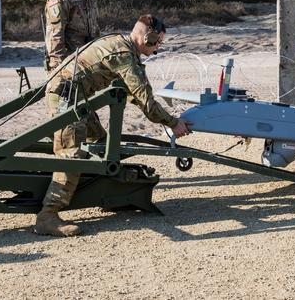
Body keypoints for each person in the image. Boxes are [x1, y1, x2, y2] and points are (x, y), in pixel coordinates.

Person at [35, 14, 192, 237]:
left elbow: (134, 95)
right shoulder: (123, 54)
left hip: (76, 97)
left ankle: (109, 196)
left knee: (101, 144)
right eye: (158, 42)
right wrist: (173, 123)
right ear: (148, 37)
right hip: (67, 97)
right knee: (71, 155)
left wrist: (167, 118)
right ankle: (47, 216)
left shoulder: (121, 46)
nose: (157, 47)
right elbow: (145, 100)